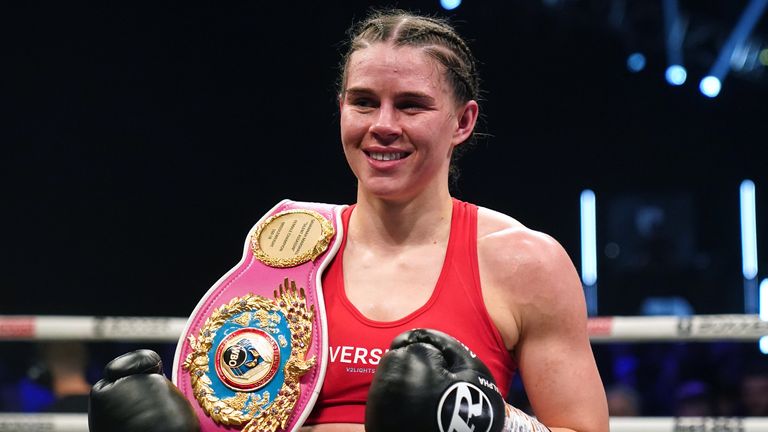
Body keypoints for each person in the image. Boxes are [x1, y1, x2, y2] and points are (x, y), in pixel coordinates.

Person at [89, 9, 609, 432]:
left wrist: (484, 422)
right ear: (341, 109)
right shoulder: (287, 246)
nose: (383, 125)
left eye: (410, 106)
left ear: (463, 122)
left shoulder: (523, 262)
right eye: (364, 102)